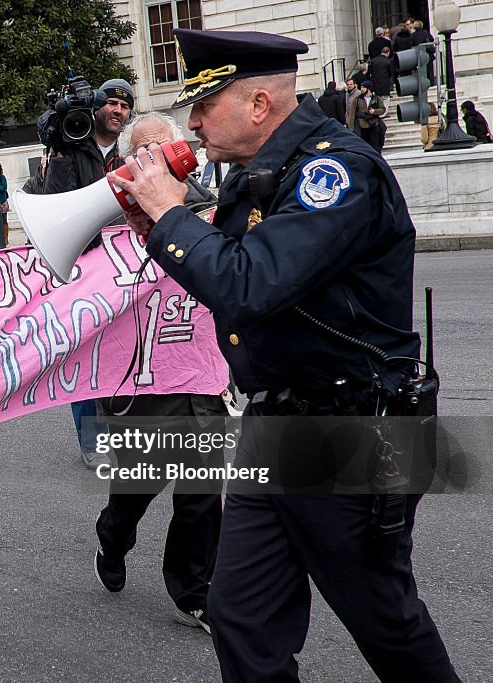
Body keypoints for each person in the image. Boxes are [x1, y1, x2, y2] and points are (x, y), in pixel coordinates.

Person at [109, 27, 461, 682]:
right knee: (240, 615)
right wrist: (161, 226)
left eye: (205, 105)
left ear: (260, 107)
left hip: (352, 425)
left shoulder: (336, 170)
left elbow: (250, 285)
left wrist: (173, 216)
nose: (193, 124)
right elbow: (237, 277)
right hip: (278, 424)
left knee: (384, 619)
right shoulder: (260, 177)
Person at [93, 111, 225, 636]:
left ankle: (193, 592)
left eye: (161, 148)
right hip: (145, 378)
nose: (152, 157)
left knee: (201, 497)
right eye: (141, 150)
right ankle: (113, 534)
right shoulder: (107, 220)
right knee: (138, 486)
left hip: (204, 374)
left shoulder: (209, 209)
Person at [42, 77, 134, 469]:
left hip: (130, 264)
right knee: (85, 356)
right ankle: (92, 441)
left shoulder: (135, 147)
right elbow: (55, 203)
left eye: (125, 106)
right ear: (95, 107)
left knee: (131, 350)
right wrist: (61, 151)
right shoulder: (72, 142)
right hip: (86, 264)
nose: (117, 111)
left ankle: (131, 433)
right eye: (110, 103)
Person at [355, 80, 386, 153]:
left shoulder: (377, 98)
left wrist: (374, 111)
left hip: (374, 125)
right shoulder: (358, 99)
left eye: (363, 87)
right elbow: (353, 112)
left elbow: (383, 109)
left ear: (368, 89)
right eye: (361, 87)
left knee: (376, 147)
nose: (361, 89)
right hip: (363, 126)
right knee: (366, 148)